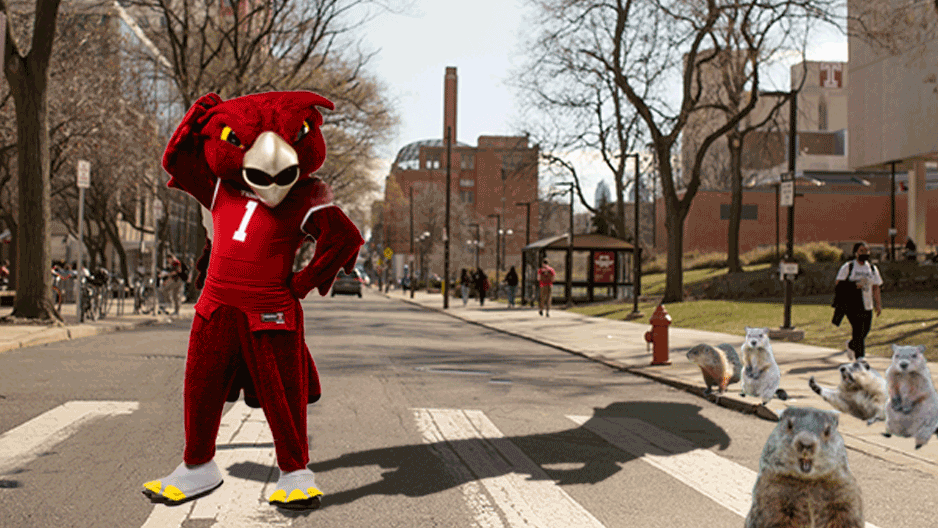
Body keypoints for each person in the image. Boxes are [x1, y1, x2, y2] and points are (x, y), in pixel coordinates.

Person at [834, 242, 883, 360]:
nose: (865, 253)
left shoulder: (872, 268)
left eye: (867, 251)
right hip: (852, 304)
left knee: (865, 330)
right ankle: (860, 359)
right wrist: (854, 285)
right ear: (856, 253)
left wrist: (878, 304)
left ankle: (851, 344)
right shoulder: (849, 267)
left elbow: (876, 287)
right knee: (858, 330)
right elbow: (838, 284)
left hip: (867, 304)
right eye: (862, 251)